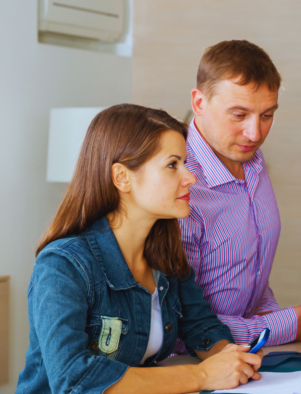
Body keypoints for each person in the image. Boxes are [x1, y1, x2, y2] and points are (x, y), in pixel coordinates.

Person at [17, 105, 263, 394]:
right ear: (122, 177)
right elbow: (74, 379)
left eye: (186, 162)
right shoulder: (63, 265)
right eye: (173, 165)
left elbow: (201, 327)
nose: (190, 178)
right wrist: (202, 376)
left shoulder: (165, 253)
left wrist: (229, 358)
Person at [179, 40, 301, 349]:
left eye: (267, 115)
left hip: (254, 354)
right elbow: (178, 323)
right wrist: (281, 327)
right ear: (199, 102)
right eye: (239, 115)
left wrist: (274, 319)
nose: (255, 134)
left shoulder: (253, 160)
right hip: (195, 363)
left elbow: (250, 267)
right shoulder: (177, 180)